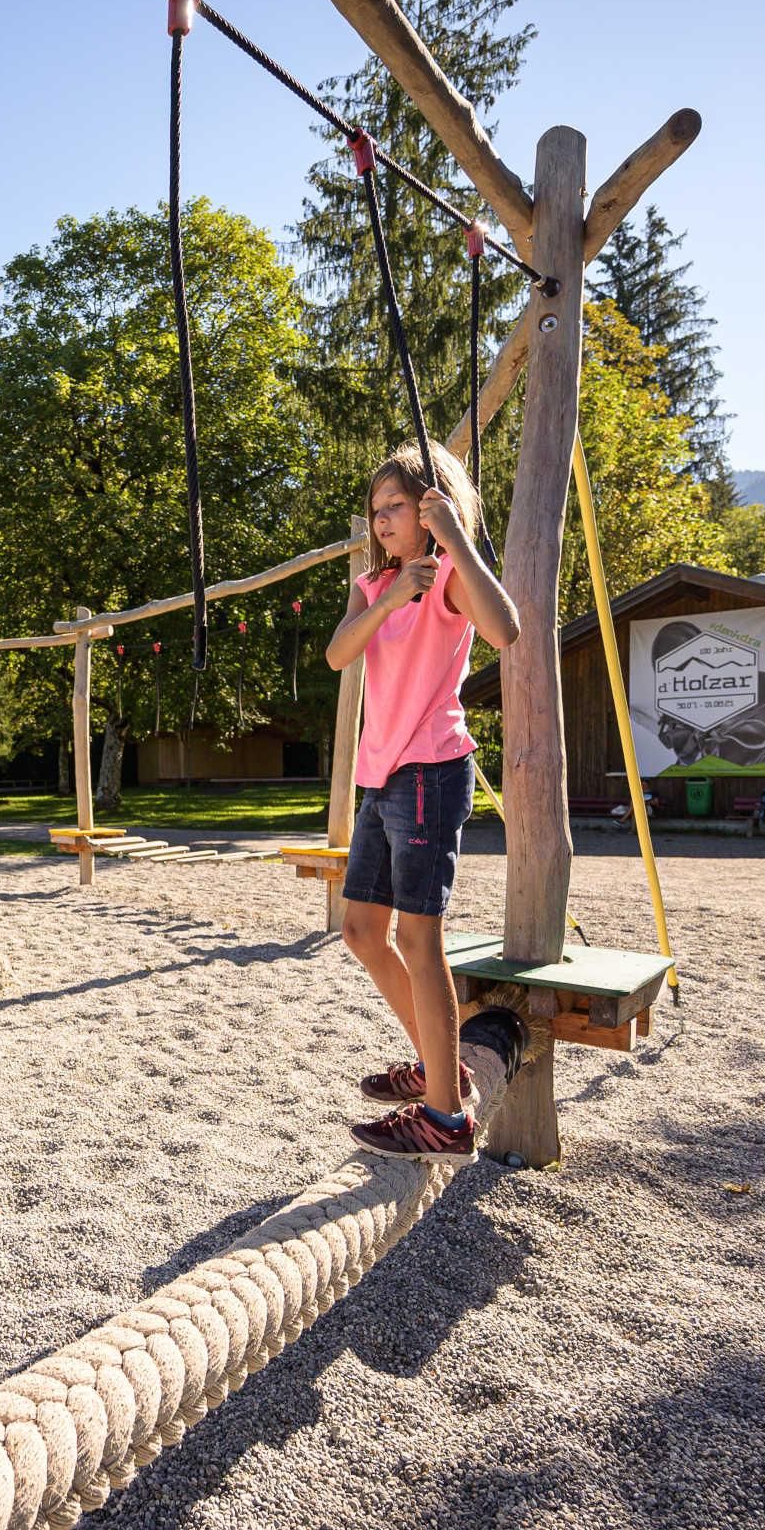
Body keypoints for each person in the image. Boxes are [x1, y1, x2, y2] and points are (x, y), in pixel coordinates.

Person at [324, 437, 521, 1162]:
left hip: (431, 772)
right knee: (362, 932)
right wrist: (390, 593)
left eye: (396, 506)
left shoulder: (448, 580)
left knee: (418, 938)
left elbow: (506, 629)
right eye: (375, 509)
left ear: (431, 508)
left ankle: (445, 1116)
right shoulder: (376, 585)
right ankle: (447, 1069)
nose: (380, 520)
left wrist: (455, 544)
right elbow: (339, 653)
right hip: (380, 777)